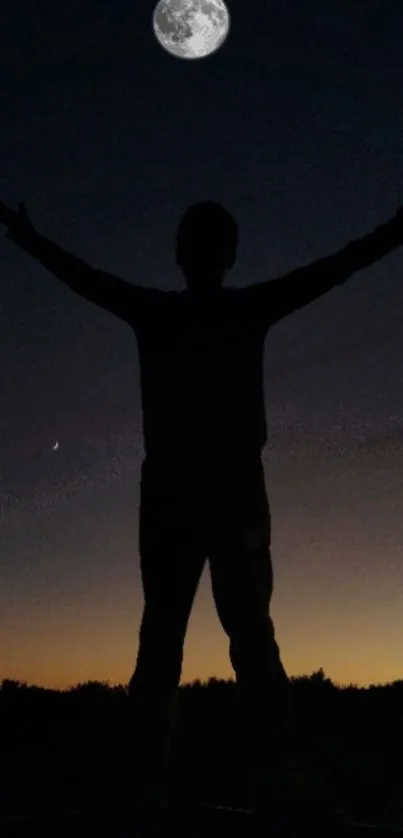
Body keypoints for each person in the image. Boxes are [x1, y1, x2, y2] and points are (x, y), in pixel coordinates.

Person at [2, 198, 403, 826]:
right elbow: (336, 267)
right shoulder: (226, 310)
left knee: (181, 639)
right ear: (226, 254)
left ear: (186, 254)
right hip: (210, 491)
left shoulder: (170, 312)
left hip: (191, 491)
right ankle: (256, 792)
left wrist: (27, 240)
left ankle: (171, 794)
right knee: (222, 639)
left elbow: (83, 277)